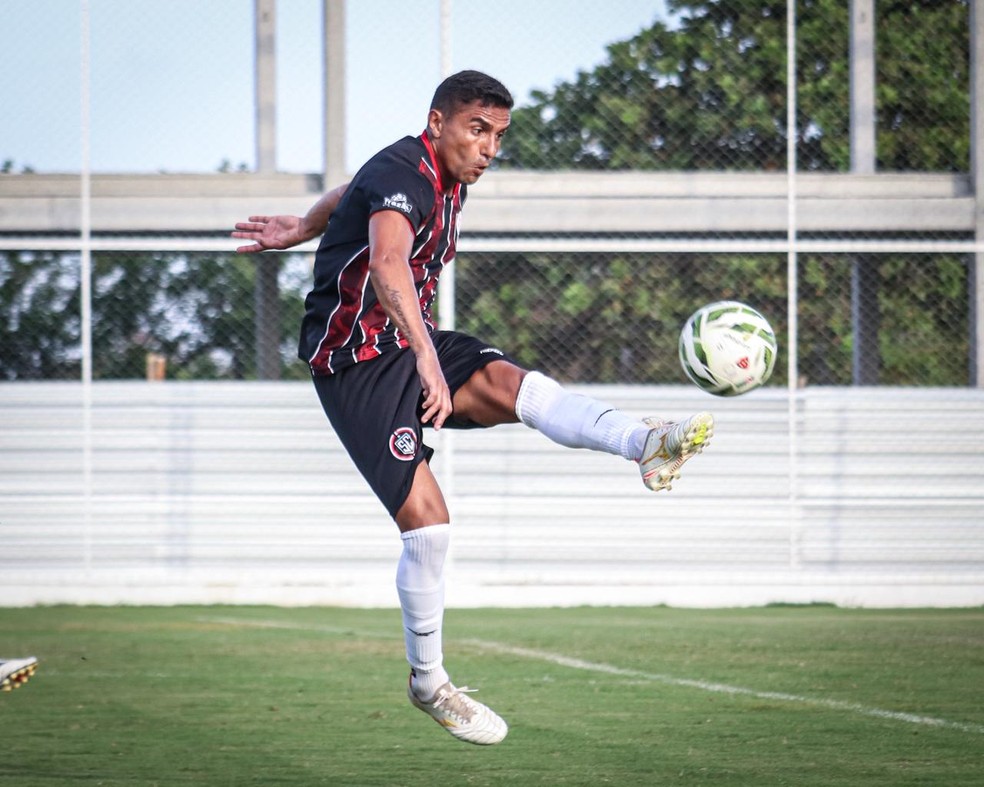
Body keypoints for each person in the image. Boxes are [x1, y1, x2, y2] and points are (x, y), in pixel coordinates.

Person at [233, 70, 713, 746]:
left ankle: (646, 445)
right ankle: (428, 682)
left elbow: (355, 193)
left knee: (519, 386)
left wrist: (304, 224)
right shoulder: (408, 170)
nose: (489, 146)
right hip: (356, 363)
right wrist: (426, 357)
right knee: (429, 527)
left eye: (498, 135)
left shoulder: (437, 176)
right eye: (476, 129)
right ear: (437, 124)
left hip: (411, 339)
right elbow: (389, 261)